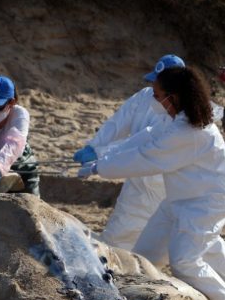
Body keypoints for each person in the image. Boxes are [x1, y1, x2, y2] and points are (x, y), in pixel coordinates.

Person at [77, 66, 225, 300]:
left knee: (184, 261)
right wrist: (101, 155)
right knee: (144, 260)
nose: (153, 99)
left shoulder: (189, 133)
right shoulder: (177, 119)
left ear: (173, 97)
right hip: (178, 198)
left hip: (207, 202)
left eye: (157, 94)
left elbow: (147, 157)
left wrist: (101, 167)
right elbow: (146, 138)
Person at [73, 54, 185, 250]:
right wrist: (94, 146)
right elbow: (118, 124)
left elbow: (143, 146)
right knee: (117, 239)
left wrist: (100, 156)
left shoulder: (178, 115)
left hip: (160, 183)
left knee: (159, 245)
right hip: (136, 178)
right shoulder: (144, 96)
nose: (154, 88)